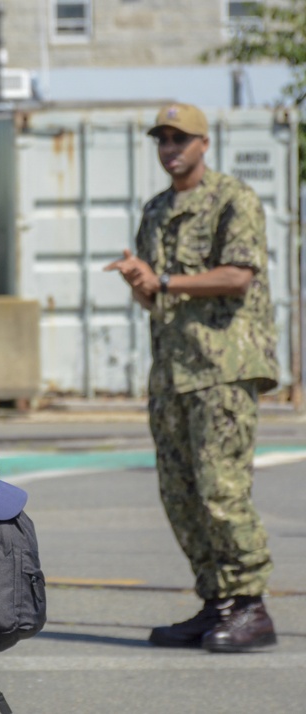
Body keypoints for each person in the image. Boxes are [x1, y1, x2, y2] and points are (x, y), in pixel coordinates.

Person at [104, 102, 279, 653]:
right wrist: (141, 283)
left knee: (221, 490)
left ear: (205, 143)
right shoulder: (156, 210)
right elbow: (155, 294)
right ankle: (217, 602)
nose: (170, 148)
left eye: (180, 138)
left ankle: (251, 604)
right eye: (162, 139)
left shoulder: (234, 199)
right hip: (173, 373)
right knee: (181, 495)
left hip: (223, 367)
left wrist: (167, 279)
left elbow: (238, 275)